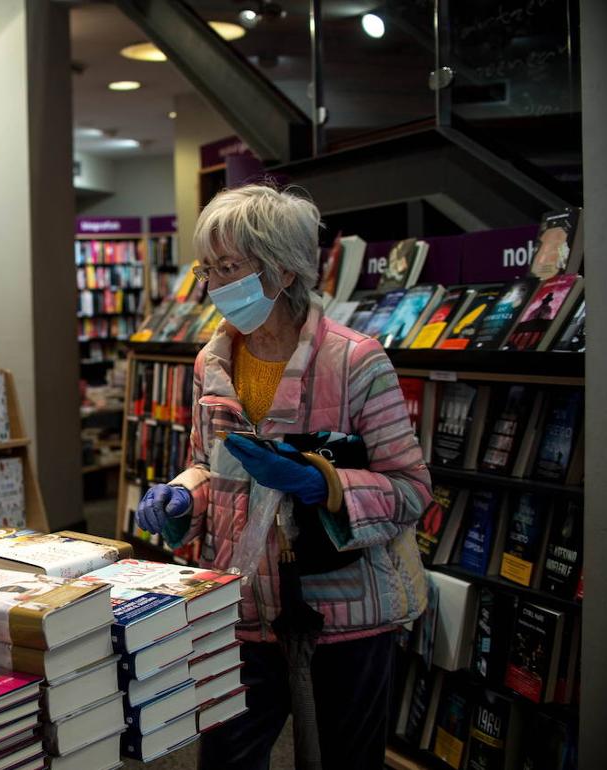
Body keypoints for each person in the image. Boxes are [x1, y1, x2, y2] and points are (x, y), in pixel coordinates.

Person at [135, 185, 430, 770]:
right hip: (240, 607)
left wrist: (325, 484)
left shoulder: (356, 361)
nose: (216, 284)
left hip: (344, 613)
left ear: (283, 271)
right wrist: (182, 497)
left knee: (345, 759)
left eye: (231, 267)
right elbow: (207, 463)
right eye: (209, 268)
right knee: (225, 757)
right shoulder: (212, 360)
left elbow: (410, 489)